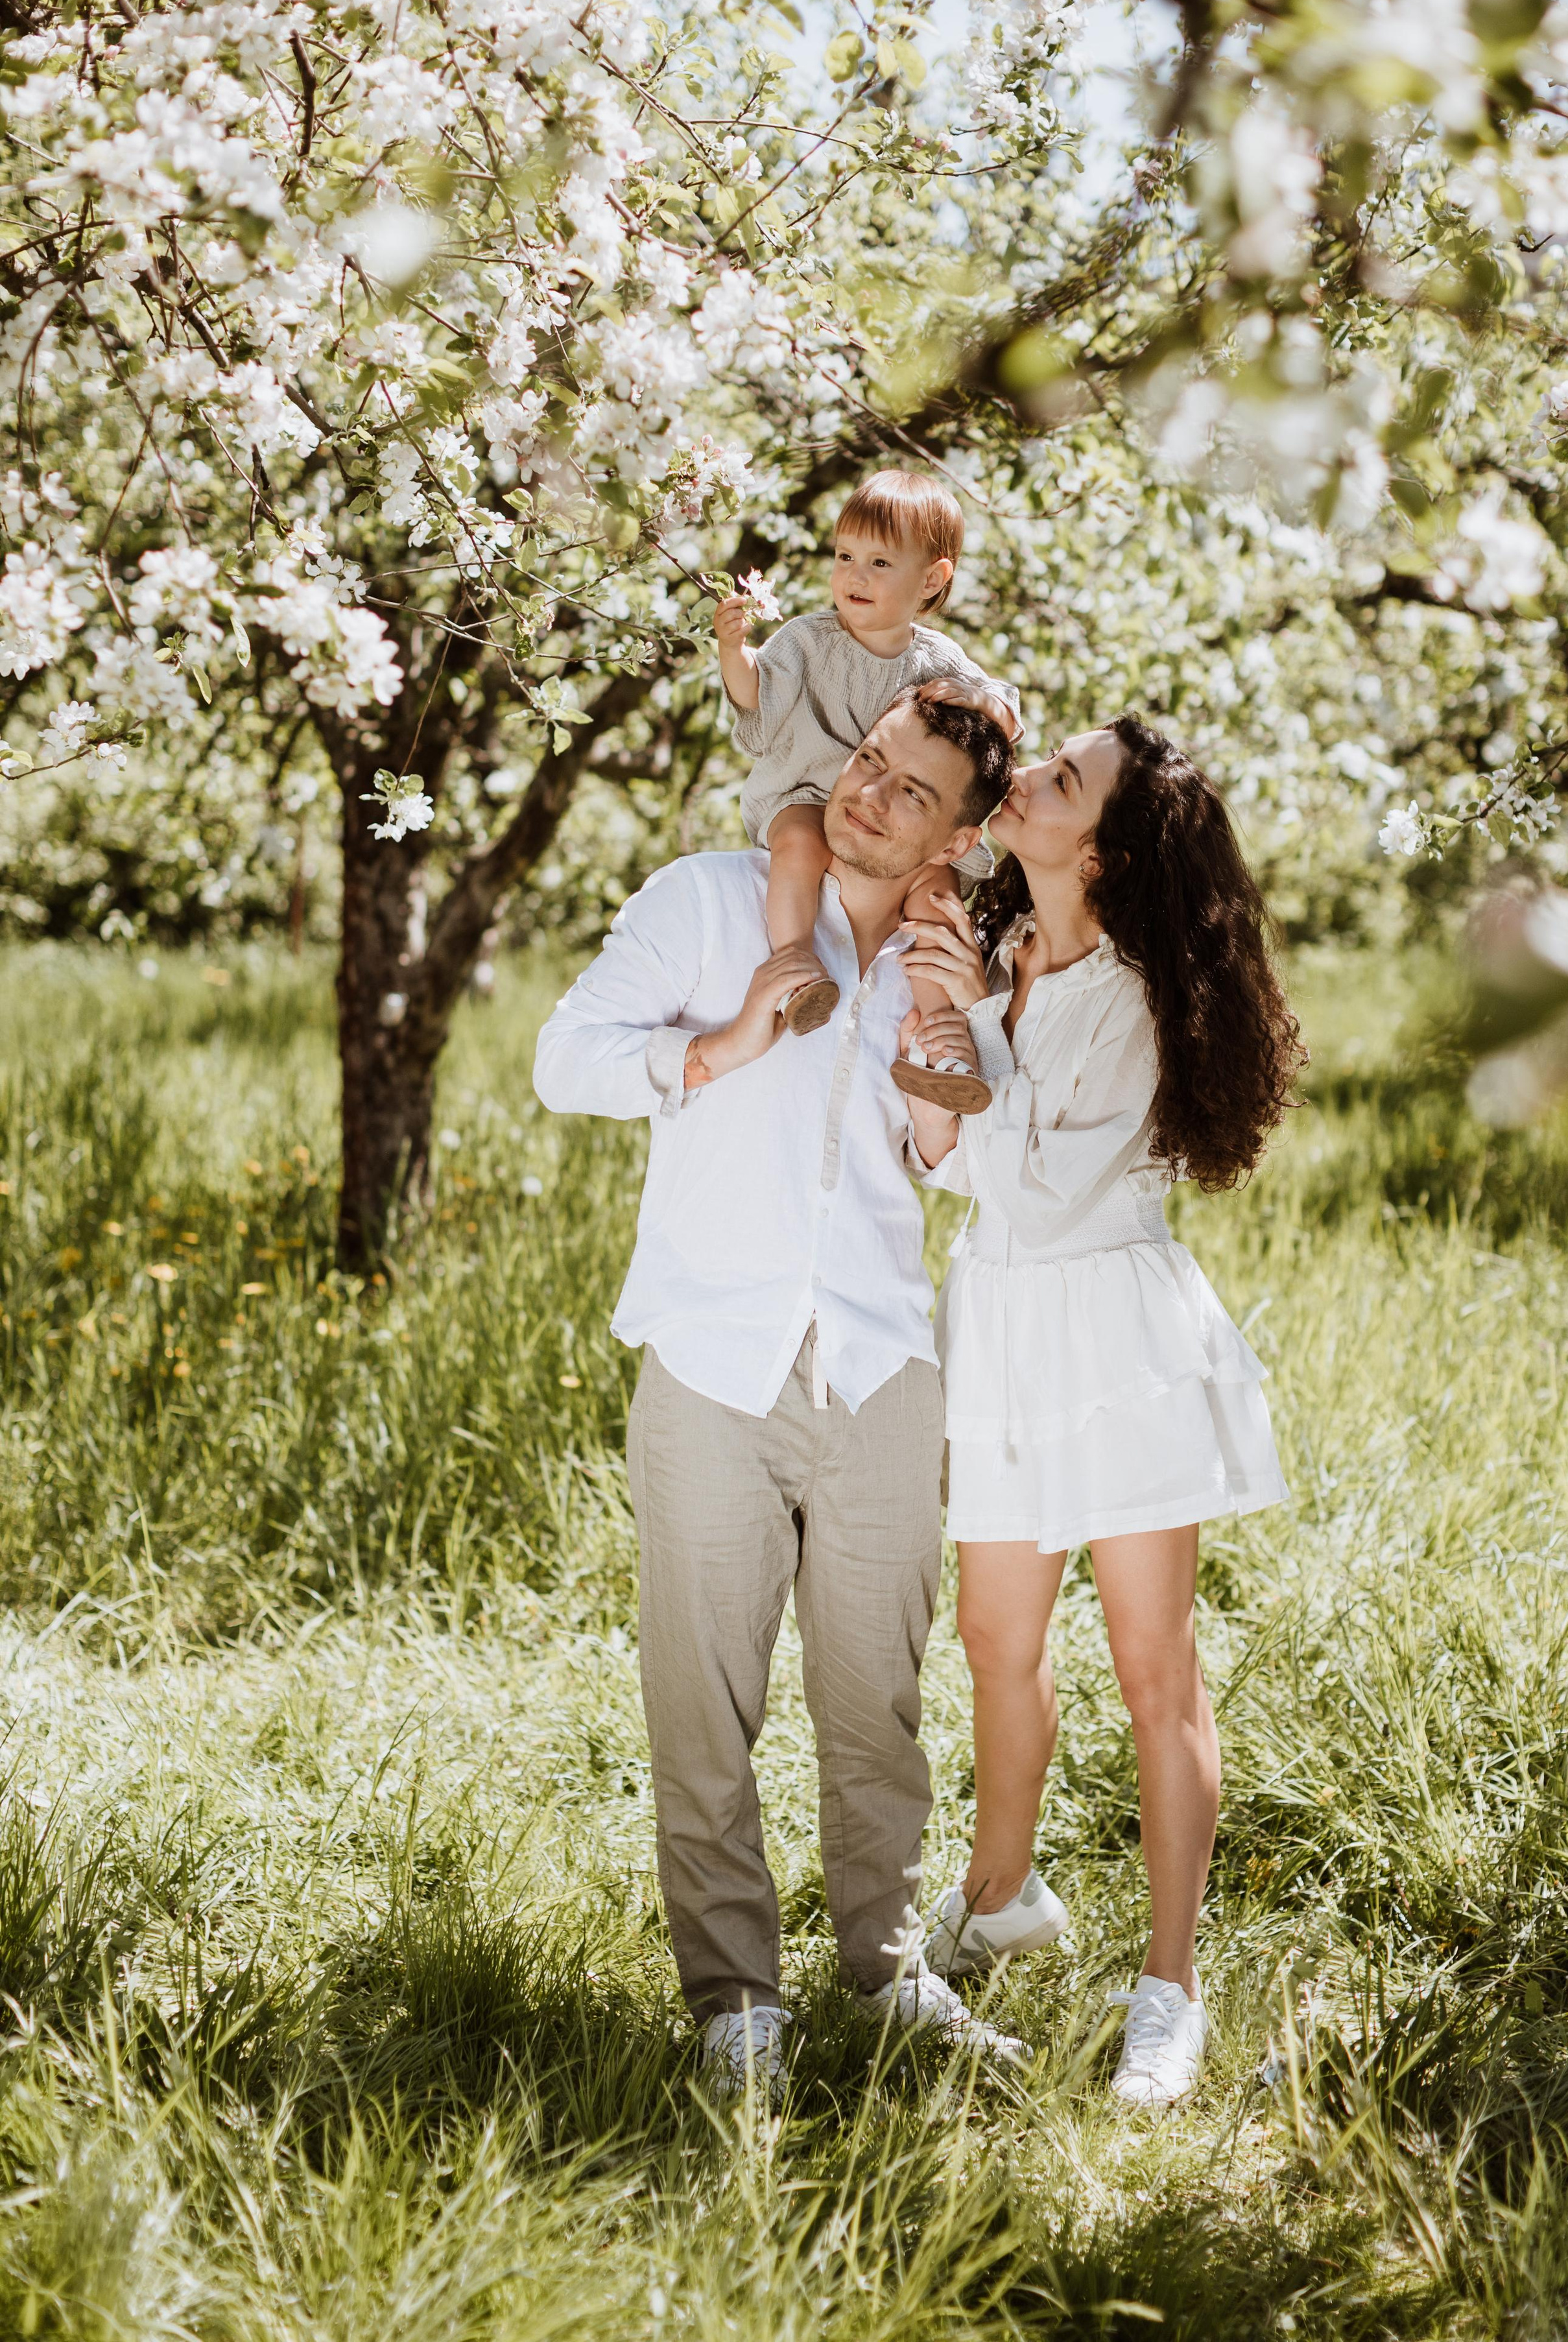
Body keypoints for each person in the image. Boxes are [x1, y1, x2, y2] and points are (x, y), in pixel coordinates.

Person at [533, 687, 1023, 2099]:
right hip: (708, 1356)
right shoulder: (707, 901)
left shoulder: (952, 965)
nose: (867, 796)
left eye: (910, 790)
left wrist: (952, 1020)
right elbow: (564, 1061)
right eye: (866, 763)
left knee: (877, 1694)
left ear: (962, 831)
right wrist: (719, 1044)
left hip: (877, 1363)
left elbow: (971, 1164)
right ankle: (735, 1996)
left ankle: (882, 1969)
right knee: (703, 1694)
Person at [898, 714, 1303, 2110]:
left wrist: (952, 1038)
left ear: (1108, 844)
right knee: (994, 1640)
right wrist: (950, 1021)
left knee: (1152, 1666)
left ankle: (1167, 1988)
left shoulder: (1127, 998)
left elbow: (1031, 1181)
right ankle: (997, 1897)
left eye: (1058, 781)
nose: (1024, 780)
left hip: (1113, 1335)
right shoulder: (1003, 954)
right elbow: (935, 1150)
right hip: (1004, 1325)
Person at [713, 467, 1021, 1112]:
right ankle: (796, 967)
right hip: (807, 792)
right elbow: (758, 698)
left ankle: (942, 1044)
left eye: (879, 562)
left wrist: (997, 710)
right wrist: (734, 654)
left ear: (932, 580)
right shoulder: (806, 638)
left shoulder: (940, 663)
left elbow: (991, 709)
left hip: (899, 835)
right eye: (845, 557)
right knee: (797, 843)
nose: (854, 576)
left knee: (935, 898)